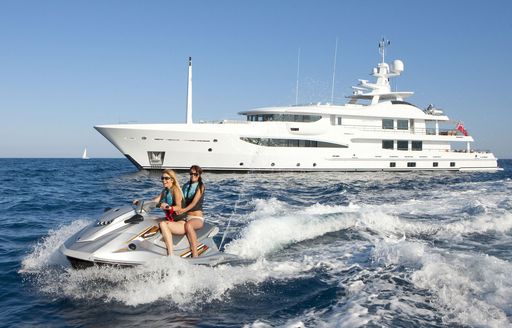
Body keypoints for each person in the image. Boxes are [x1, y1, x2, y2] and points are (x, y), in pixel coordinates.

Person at [149, 169, 187, 256]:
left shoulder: (176, 190)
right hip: (171, 220)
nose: (164, 180)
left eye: (166, 178)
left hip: (181, 222)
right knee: (150, 219)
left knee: (163, 224)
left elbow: (179, 207)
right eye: (162, 178)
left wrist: (168, 207)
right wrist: (141, 203)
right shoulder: (164, 191)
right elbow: (154, 202)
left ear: (172, 180)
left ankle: (171, 255)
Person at [175, 165, 205, 257]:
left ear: (199, 175)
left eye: (195, 174)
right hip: (185, 216)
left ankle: (195, 253)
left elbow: (194, 203)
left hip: (197, 218)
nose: (193, 176)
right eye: (191, 174)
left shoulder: (201, 186)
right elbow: (180, 200)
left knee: (188, 225)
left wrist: (183, 210)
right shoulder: (185, 185)